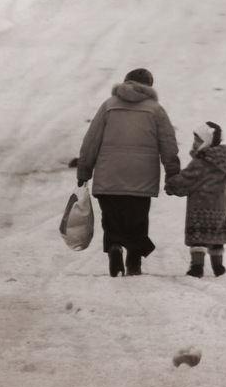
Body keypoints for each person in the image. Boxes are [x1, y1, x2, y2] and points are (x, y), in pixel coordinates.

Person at [77, 68, 180, 277]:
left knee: (112, 217)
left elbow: (91, 140)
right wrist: (172, 172)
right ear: (149, 86)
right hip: (141, 177)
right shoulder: (156, 110)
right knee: (137, 218)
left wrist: (84, 170)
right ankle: (134, 260)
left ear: (126, 82)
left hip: (109, 174)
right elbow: (168, 144)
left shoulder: (108, 105)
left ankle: (114, 247)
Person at [164, 121, 226, 278]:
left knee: (199, 237)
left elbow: (187, 179)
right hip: (219, 204)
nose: (195, 143)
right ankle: (218, 267)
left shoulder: (202, 161)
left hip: (201, 204)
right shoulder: (223, 160)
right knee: (216, 235)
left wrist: (171, 185)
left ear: (207, 141)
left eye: (198, 140)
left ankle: (197, 267)